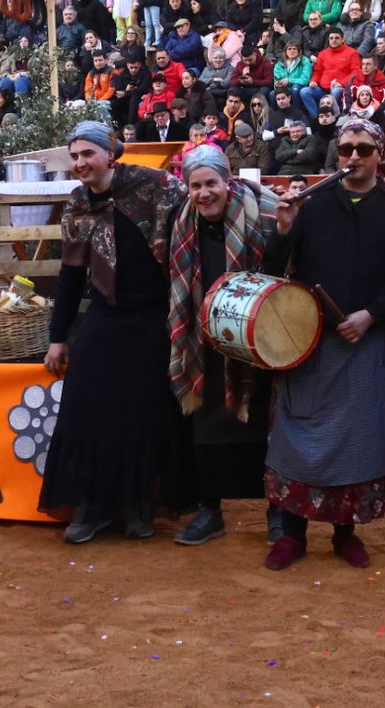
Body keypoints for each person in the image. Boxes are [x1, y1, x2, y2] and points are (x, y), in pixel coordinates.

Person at [260, 119, 385, 571]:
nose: (353, 157)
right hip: (310, 342)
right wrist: (283, 230)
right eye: (346, 148)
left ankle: (345, 534)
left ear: (379, 155)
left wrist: (372, 315)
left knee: (358, 442)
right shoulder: (311, 206)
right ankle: (291, 535)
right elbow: (274, 271)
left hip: (368, 342)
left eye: (364, 149)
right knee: (296, 438)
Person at [42, 121, 191, 544]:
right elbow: (70, 277)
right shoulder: (77, 205)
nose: (80, 163)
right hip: (106, 313)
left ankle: (138, 506)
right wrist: (58, 337)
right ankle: (91, 505)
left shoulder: (157, 187)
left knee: (144, 414)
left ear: (112, 153)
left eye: (87, 154)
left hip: (154, 315)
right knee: (84, 405)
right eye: (74, 156)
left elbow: (197, 222)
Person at [166, 146, 280, 546]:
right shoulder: (180, 223)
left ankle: (277, 511)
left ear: (227, 181)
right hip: (204, 338)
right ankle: (209, 510)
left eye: (211, 183)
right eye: (195, 186)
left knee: (264, 423)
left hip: (259, 339)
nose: (203, 193)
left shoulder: (266, 212)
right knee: (206, 421)